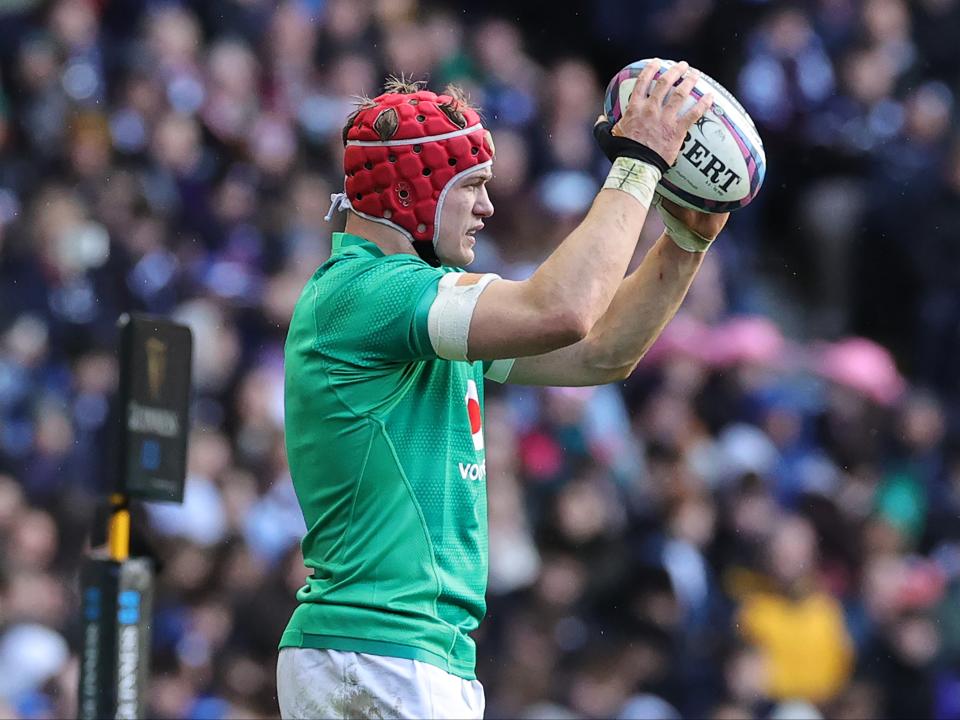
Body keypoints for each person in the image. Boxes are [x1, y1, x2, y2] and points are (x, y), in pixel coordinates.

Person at [277, 63, 728, 719]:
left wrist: (684, 242)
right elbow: (564, 309)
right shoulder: (370, 293)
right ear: (411, 194)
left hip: (403, 654)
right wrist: (638, 164)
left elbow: (599, 353)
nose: (488, 207)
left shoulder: (414, 314)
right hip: (379, 651)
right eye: (474, 187)